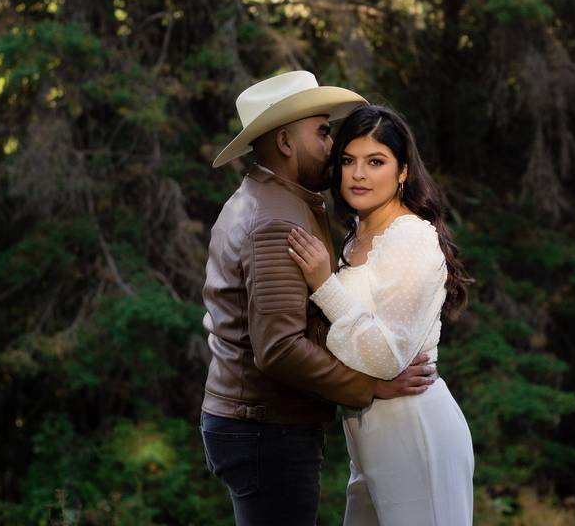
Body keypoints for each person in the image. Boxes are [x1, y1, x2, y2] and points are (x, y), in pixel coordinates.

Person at [201, 71, 437, 526]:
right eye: (323, 131)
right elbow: (279, 348)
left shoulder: (272, 199)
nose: (332, 146)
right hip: (266, 429)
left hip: (259, 422)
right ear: (287, 143)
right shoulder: (275, 219)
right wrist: (369, 388)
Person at [287, 105, 475, 526]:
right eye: (349, 161)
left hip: (416, 432)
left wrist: (323, 285)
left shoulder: (411, 238)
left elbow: (386, 356)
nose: (358, 175)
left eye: (376, 162)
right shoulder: (356, 237)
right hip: (368, 440)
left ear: (403, 171)